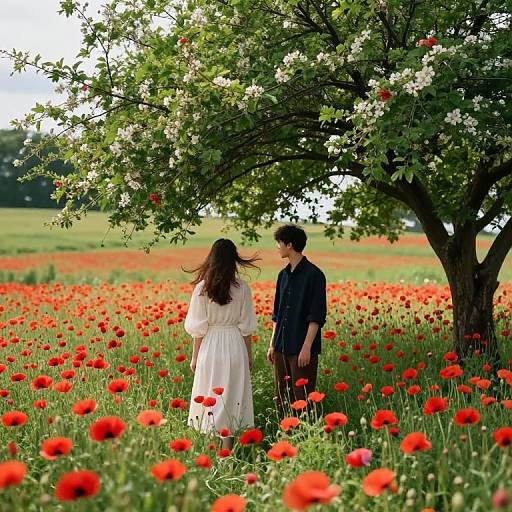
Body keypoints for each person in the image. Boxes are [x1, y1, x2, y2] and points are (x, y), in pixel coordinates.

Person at [183, 239, 261, 449]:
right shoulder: (242, 288)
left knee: (210, 397)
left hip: (210, 346)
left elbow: (198, 328)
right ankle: (226, 450)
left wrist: (194, 357)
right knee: (231, 397)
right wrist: (248, 354)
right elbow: (246, 326)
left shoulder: (202, 288)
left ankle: (214, 449)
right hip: (235, 345)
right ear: (234, 259)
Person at [267, 224, 327, 416]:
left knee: (303, 398)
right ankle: (285, 434)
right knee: (281, 397)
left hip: (302, 348)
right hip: (280, 347)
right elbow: (277, 313)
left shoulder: (315, 275)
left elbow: (316, 315)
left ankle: (305, 436)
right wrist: (272, 344)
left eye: (279, 243)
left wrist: (307, 347)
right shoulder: (282, 275)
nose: (277, 247)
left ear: (289, 245)